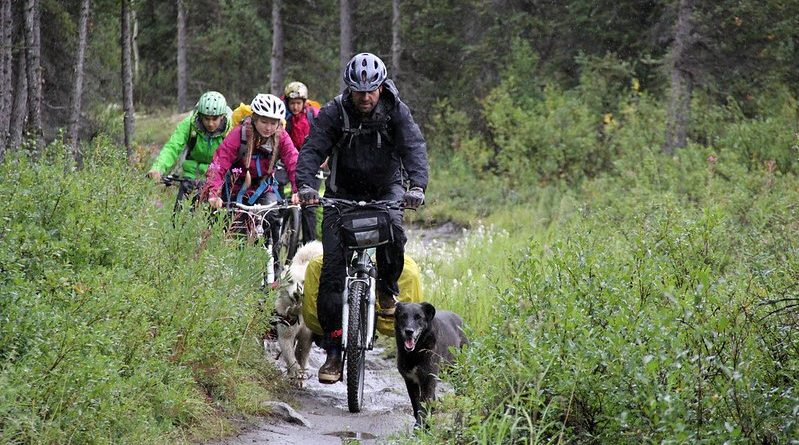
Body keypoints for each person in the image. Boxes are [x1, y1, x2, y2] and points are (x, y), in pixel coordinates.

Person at [296, 52, 428, 384]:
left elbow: (414, 147)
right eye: (358, 91)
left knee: (395, 233)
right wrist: (306, 185)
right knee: (331, 274)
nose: (366, 97)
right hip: (341, 193)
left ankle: (386, 289)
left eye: (371, 91)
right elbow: (312, 150)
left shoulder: (396, 111)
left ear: (382, 87)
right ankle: (335, 351)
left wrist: (417, 186)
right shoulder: (333, 112)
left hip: (386, 190)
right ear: (349, 89)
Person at [204, 93, 300, 266]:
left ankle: (274, 265)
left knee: (271, 219)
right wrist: (213, 193)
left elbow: (293, 162)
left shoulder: (282, 137)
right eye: (264, 121)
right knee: (234, 229)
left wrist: (297, 190)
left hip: (264, 188)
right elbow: (218, 163)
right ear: (254, 118)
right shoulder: (239, 134)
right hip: (235, 187)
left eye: (273, 122)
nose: (268, 127)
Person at [148, 91, 232, 211]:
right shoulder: (189, 124)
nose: (210, 123)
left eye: (215, 119)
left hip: (217, 180)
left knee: (212, 219)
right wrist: (157, 168)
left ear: (222, 116)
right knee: (179, 218)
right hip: (189, 177)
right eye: (206, 118)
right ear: (200, 115)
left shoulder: (231, 130)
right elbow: (172, 147)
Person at [284, 81, 322, 243]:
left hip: (310, 162)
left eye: (298, 103)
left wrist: (323, 158)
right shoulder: (283, 117)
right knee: (281, 199)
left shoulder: (313, 115)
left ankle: (310, 243)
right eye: (292, 103)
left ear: (304, 102)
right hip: (288, 162)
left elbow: (322, 138)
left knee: (310, 206)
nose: (295, 107)